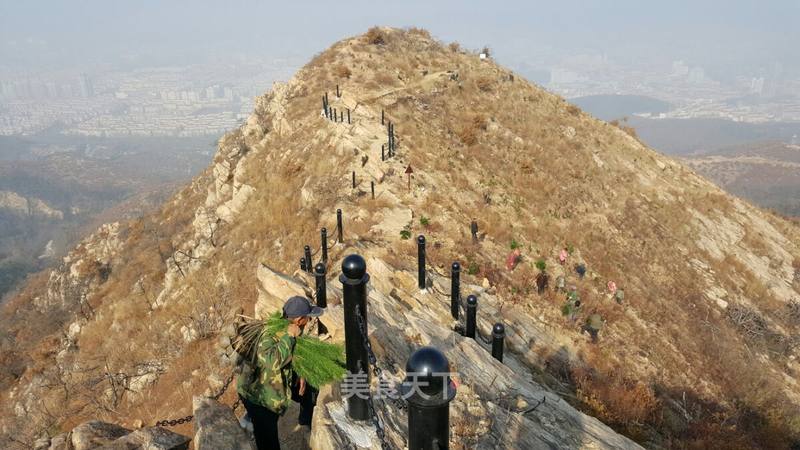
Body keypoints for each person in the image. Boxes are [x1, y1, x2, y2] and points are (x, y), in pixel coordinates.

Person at [237, 296, 324, 450]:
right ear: (298, 320)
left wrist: (301, 372)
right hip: (260, 398)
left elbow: (293, 354)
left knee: (310, 388)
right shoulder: (271, 334)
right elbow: (271, 361)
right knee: (268, 440)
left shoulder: (291, 326)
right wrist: (289, 337)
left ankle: (306, 421)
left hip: (274, 385)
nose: (309, 321)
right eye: (307, 318)